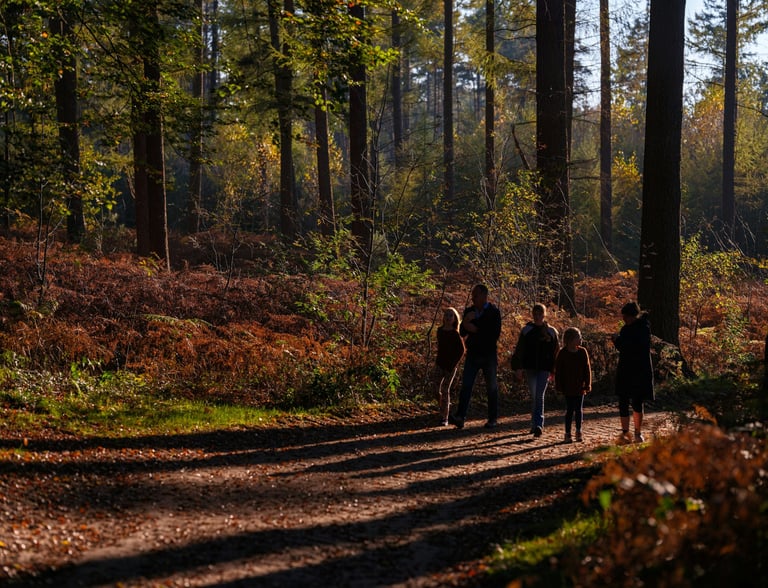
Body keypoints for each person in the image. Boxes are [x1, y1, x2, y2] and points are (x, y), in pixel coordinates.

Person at [449, 284, 502, 429]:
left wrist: (476, 329)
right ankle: (460, 416)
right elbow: (462, 333)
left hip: (489, 355)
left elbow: (494, 334)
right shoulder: (469, 311)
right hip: (473, 354)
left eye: (476, 295)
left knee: (491, 388)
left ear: (484, 296)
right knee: (466, 386)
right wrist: (466, 322)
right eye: (473, 295)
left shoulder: (494, 312)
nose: (473, 298)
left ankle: (493, 418)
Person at [510, 303, 559, 438]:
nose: (537, 316)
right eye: (535, 314)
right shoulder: (527, 330)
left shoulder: (552, 332)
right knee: (534, 396)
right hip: (530, 368)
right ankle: (534, 423)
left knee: (539, 395)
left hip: (544, 369)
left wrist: (554, 369)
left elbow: (556, 352)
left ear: (544, 315)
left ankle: (538, 424)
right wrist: (518, 367)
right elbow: (519, 350)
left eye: (540, 314)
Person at [612, 301, 654, 443]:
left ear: (632, 316)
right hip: (629, 369)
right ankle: (627, 433)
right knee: (625, 401)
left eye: (625, 316)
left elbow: (627, 347)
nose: (624, 319)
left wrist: (616, 340)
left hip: (636, 370)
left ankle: (636, 432)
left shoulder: (641, 329)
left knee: (636, 401)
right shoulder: (634, 329)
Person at [554, 327, 592, 443]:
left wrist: (588, 383)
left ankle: (579, 431)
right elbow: (558, 371)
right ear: (570, 340)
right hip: (568, 387)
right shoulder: (562, 353)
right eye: (578, 337)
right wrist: (559, 386)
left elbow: (587, 369)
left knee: (579, 409)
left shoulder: (582, 352)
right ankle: (567, 433)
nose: (580, 339)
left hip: (580, 386)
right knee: (570, 409)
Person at [433, 307, 466, 426]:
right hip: (439, 364)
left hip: (450, 367)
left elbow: (461, 350)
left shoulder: (455, 334)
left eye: (450, 315)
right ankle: (443, 408)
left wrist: (453, 364)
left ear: (455, 318)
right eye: (446, 315)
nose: (448, 317)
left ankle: (445, 417)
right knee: (436, 389)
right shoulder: (439, 331)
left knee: (445, 390)